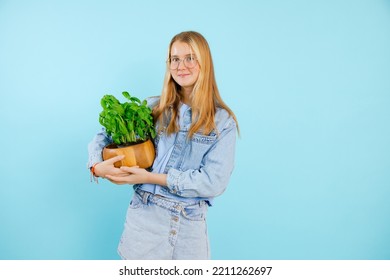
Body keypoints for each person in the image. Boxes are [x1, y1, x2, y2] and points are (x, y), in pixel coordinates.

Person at [87, 31, 239, 260]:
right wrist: (96, 167)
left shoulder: (222, 121)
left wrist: (151, 178)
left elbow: (213, 182)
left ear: (204, 62)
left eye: (190, 58)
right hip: (144, 222)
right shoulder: (152, 108)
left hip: (188, 227)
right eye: (174, 59)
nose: (181, 66)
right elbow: (103, 136)